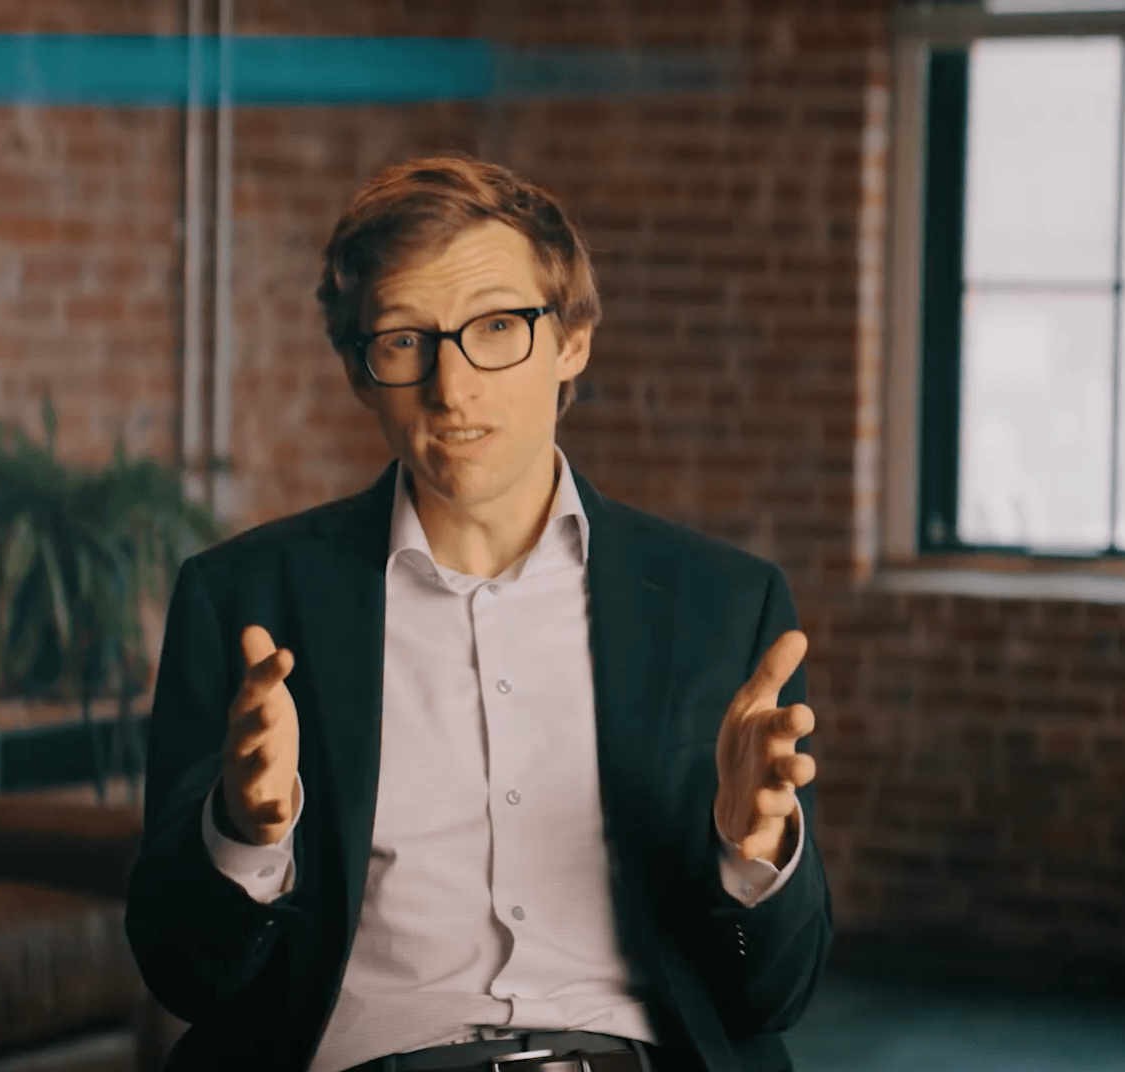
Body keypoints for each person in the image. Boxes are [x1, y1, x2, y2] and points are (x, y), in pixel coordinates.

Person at [125, 154, 831, 1072]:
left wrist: (753, 852)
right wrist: (245, 834)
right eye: (405, 340)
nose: (452, 388)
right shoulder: (245, 601)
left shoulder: (725, 606)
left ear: (571, 339)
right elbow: (184, 974)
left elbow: (777, 994)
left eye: (498, 327)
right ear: (360, 372)